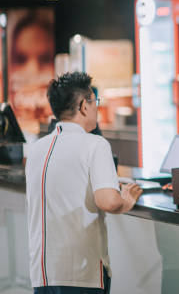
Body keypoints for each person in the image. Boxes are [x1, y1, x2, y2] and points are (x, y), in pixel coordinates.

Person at [25, 72, 142, 293]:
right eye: (94, 101)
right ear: (83, 106)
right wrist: (125, 201)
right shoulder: (95, 145)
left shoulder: (37, 148)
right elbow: (108, 201)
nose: (97, 107)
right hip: (81, 273)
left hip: (42, 273)